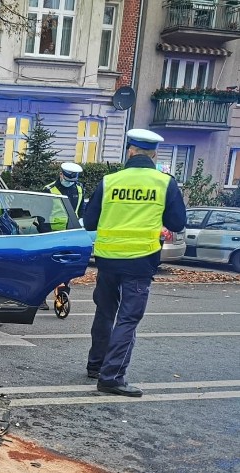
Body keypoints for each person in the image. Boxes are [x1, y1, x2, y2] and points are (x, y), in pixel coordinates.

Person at [82, 129, 186, 397]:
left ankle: (96, 365)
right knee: (128, 318)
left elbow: (90, 222)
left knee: (105, 312)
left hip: (107, 259)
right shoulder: (164, 183)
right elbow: (177, 223)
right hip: (140, 260)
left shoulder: (109, 181)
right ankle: (112, 377)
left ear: (130, 150)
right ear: (154, 154)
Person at [39, 162, 84, 309]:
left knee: (67, 268)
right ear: (61, 175)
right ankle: (40, 298)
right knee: (48, 267)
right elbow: (42, 215)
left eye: (73, 181)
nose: (70, 183)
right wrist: (46, 234)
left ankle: (61, 296)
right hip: (52, 234)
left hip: (71, 234)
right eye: (68, 179)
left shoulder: (79, 189)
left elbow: (81, 212)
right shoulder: (49, 190)